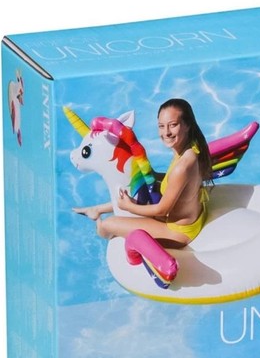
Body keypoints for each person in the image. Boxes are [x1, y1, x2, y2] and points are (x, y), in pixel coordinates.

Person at [73, 99, 212, 248]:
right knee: (139, 191)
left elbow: (161, 209)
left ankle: (103, 229)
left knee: (108, 224)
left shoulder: (183, 166)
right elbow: (175, 181)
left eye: (173, 125)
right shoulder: (191, 149)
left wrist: (129, 207)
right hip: (189, 218)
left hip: (178, 232)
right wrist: (152, 174)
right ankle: (97, 209)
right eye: (161, 126)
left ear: (187, 125)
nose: (166, 132)